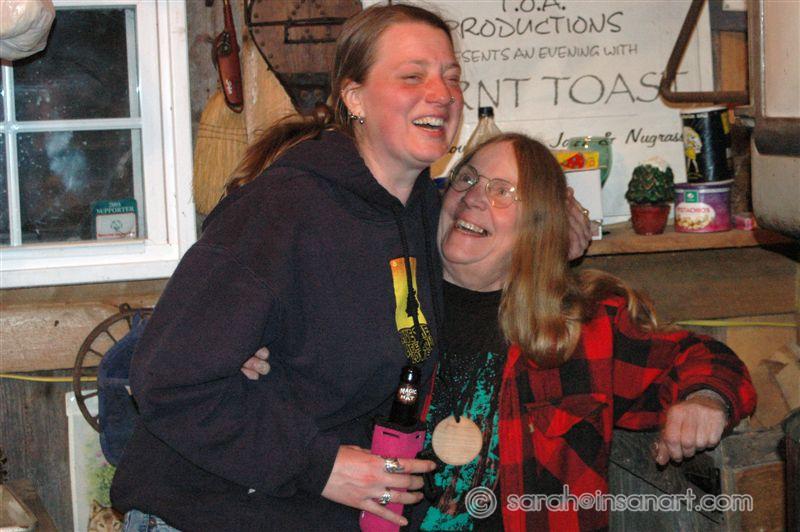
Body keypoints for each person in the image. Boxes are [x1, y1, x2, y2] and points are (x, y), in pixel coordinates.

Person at [111, 4, 460, 530]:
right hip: (209, 513)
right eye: (413, 76)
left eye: (452, 77)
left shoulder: (421, 213)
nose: (443, 93)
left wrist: (551, 225)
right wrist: (320, 465)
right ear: (354, 97)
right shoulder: (283, 209)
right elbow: (168, 379)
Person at [409, 133, 757, 531]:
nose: (472, 197)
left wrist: (707, 399)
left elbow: (706, 359)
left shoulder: (586, 328)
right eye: (467, 178)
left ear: (538, 226)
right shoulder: (383, 315)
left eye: (502, 191)